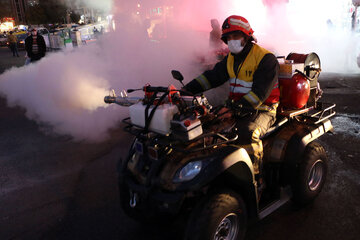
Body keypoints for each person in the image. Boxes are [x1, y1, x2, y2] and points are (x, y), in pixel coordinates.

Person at [183, 15, 280, 188]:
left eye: (236, 36)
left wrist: (234, 109)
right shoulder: (230, 59)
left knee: (248, 133)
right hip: (236, 107)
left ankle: (256, 181)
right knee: (206, 127)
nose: (231, 41)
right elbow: (211, 78)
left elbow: (259, 94)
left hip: (263, 109)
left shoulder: (266, 59)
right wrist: (185, 90)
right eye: (228, 38)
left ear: (246, 36)